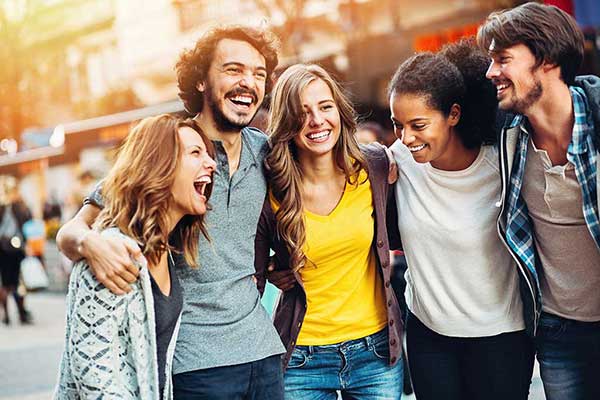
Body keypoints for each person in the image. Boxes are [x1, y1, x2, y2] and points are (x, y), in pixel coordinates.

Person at [56, 25, 286, 399]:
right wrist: (89, 243)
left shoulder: (265, 151)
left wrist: (283, 262)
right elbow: (71, 232)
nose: (248, 83)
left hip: (263, 351)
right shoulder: (168, 149)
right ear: (200, 81)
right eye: (233, 70)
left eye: (258, 74)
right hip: (193, 364)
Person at [388, 40, 534, 400]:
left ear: (453, 114)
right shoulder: (397, 162)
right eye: (397, 125)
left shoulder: (503, 164)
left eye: (418, 124)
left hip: (501, 341)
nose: (406, 138)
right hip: (428, 340)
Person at [255, 64, 404, 399]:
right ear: (286, 123)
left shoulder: (375, 166)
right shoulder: (269, 189)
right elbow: (245, 263)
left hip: (376, 352)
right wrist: (270, 267)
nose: (317, 121)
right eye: (302, 112)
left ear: (339, 111)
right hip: (302, 359)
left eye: (325, 107)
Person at [478, 3, 600, 399]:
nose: (491, 72)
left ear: (546, 59)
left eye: (503, 59)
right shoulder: (507, 136)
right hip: (557, 332)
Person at [54, 115, 216, 399]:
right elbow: (94, 378)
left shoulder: (165, 251)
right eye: (195, 152)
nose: (212, 163)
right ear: (159, 165)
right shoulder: (111, 254)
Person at [0, 179, 34, 325]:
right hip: (16, 249)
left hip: (2, 249)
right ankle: (21, 313)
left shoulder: (2, 207)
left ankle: (7, 315)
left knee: (6, 283)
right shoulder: (19, 206)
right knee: (18, 283)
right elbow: (28, 223)